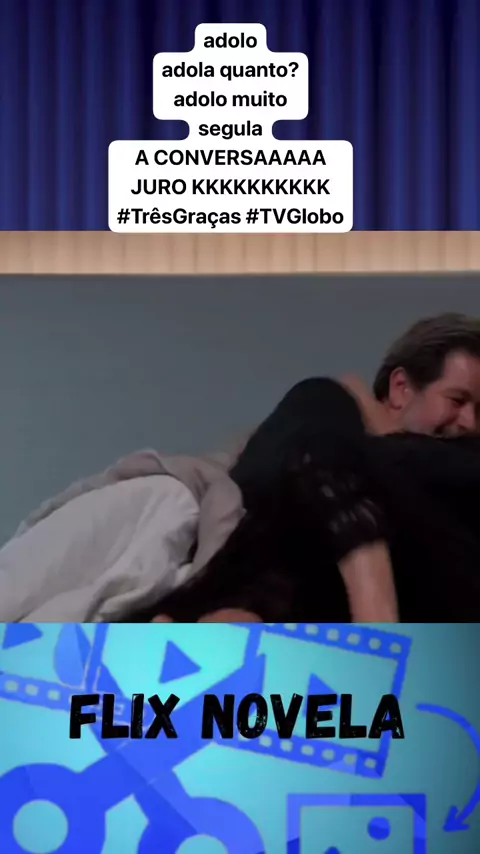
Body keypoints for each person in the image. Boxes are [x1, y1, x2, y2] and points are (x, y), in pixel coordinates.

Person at [125, 313, 480, 625]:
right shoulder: (330, 411)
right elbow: (308, 459)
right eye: (457, 400)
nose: (470, 422)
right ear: (401, 388)